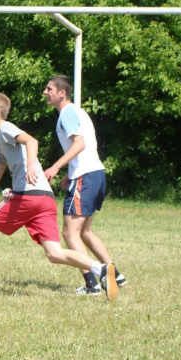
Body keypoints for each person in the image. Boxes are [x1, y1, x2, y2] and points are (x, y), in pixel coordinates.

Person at [0, 93, 118, 300]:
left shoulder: (6, 128)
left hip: (27, 195)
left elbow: (31, 141)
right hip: (45, 199)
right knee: (55, 253)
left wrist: (31, 165)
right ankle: (101, 269)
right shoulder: (1, 142)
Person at [42, 75, 126, 296]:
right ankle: (115, 275)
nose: (45, 92)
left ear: (62, 93)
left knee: (70, 234)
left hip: (85, 176)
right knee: (85, 231)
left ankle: (93, 284)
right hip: (95, 172)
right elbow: (85, 146)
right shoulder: (78, 112)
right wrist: (71, 172)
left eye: (49, 88)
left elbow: (80, 143)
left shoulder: (67, 113)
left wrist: (56, 167)